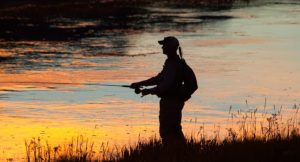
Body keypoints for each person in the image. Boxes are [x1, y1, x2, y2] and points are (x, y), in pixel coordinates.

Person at [131, 36, 187, 145]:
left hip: (171, 101)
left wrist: (149, 91)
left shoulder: (172, 65)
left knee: (167, 130)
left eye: (164, 45)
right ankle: (183, 152)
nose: (162, 47)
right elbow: (159, 79)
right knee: (174, 129)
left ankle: (175, 153)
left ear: (170, 47)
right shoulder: (171, 62)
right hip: (173, 100)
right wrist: (140, 83)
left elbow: (166, 85)